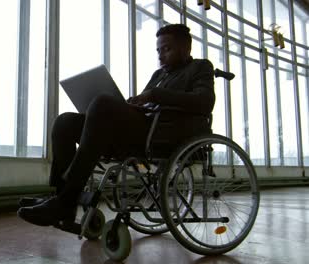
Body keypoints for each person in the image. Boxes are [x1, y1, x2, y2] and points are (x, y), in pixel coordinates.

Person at [17, 24, 215, 226]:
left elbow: (204, 101)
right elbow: (145, 102)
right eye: (158, 50)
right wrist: (133, 102)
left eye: (167, 49)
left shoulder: (200, 67)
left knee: (103, 103)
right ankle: (62, 199)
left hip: (167, 135)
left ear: (186, 48)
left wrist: (155, 95)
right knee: (65, 122)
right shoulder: (159, 75)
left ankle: (65, 200)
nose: (160, 56)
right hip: (141, 131)